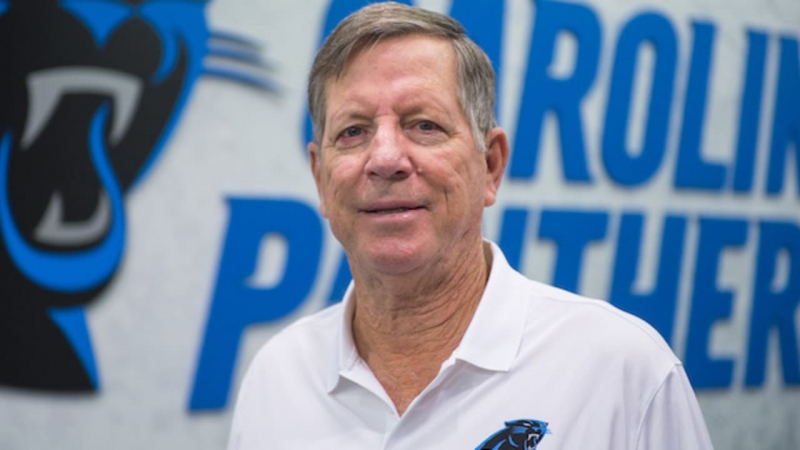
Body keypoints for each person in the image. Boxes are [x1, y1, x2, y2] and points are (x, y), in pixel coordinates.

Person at [227, 2, 714, 449]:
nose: (386, 158)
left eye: (424, 125)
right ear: (320, 177)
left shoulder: (623, 372)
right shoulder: (277, 377)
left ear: (491, 166)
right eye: (353, 131)